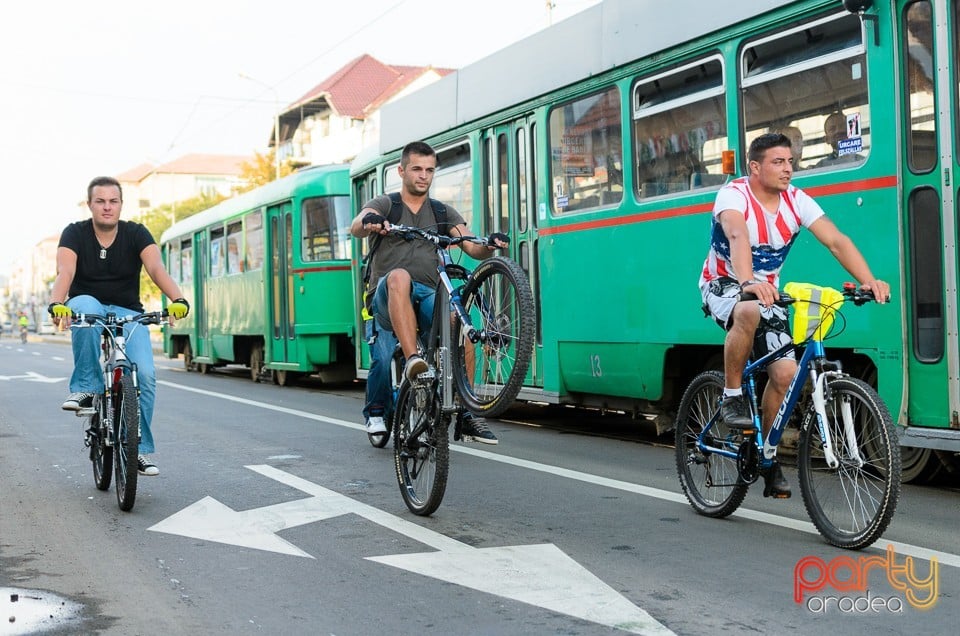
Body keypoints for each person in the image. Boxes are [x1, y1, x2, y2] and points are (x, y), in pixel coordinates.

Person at [698, 133, 890, 498]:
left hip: (767, 291)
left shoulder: (796, 201)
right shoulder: (734, 195)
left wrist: (869, 281)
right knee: (749, 308)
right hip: (725, 283)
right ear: (755, 167)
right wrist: (748, 281)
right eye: (778, 162)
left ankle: (767, 456)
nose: (788, 168)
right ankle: (731, 394)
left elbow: (836, 240)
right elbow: (737, 236)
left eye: (790, 161)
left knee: (786, 374)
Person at [350, 141, 508, 445]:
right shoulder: (387, 204)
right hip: (387, 295)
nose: (424, 176)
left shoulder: (440, 211)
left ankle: (466, 411)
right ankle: (387, 397)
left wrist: (490, 245)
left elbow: (471, 246)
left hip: (425, 295)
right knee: (383, 358)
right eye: (417, 169)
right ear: (401, 171)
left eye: (430, 170)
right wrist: (369, 222)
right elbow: (358, 225)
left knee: (461, 329)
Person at [47, 176, 190, 476]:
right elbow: (66, 271)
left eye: (113, 201)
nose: (107, 207)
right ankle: (86, 388)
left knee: (147, 376)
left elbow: (155, 268)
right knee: (85, 306)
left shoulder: (136, 233)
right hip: (90, 308)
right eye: (100, 201)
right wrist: (57, 303)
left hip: (128, 313)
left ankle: (137, 448)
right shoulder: (74, 233)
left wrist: (177, 298)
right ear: (90, 205)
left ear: (121, 205)